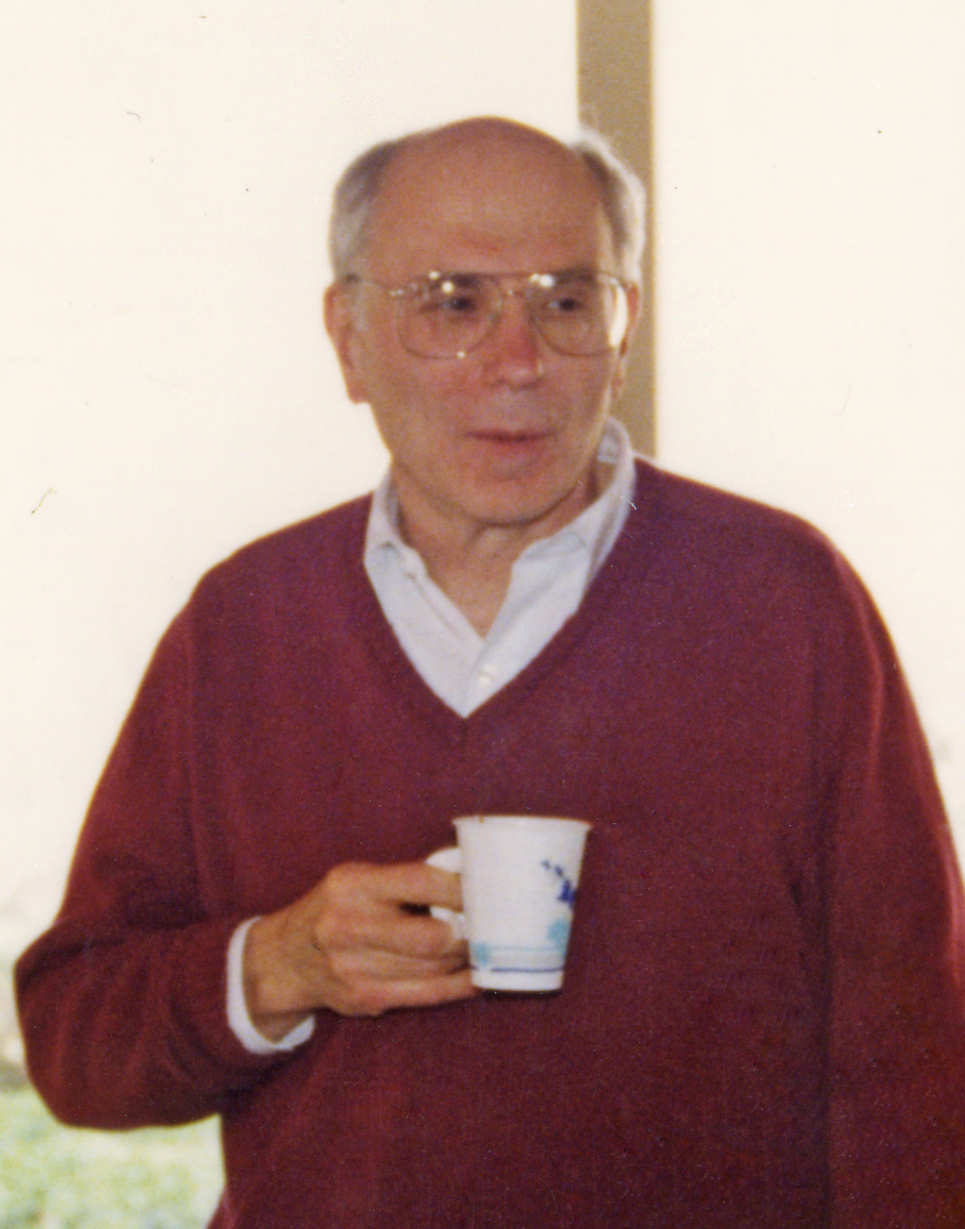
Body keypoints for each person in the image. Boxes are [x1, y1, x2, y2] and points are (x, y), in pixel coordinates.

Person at [15, 116, 965, 1227]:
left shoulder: (785, 600)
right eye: (451, 302)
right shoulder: (240, 627)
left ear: (623, 331)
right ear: (348, 338)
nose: (516, 360)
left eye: (565, 300)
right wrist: (276, 964)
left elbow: (917, 1073)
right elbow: (75, 1040)